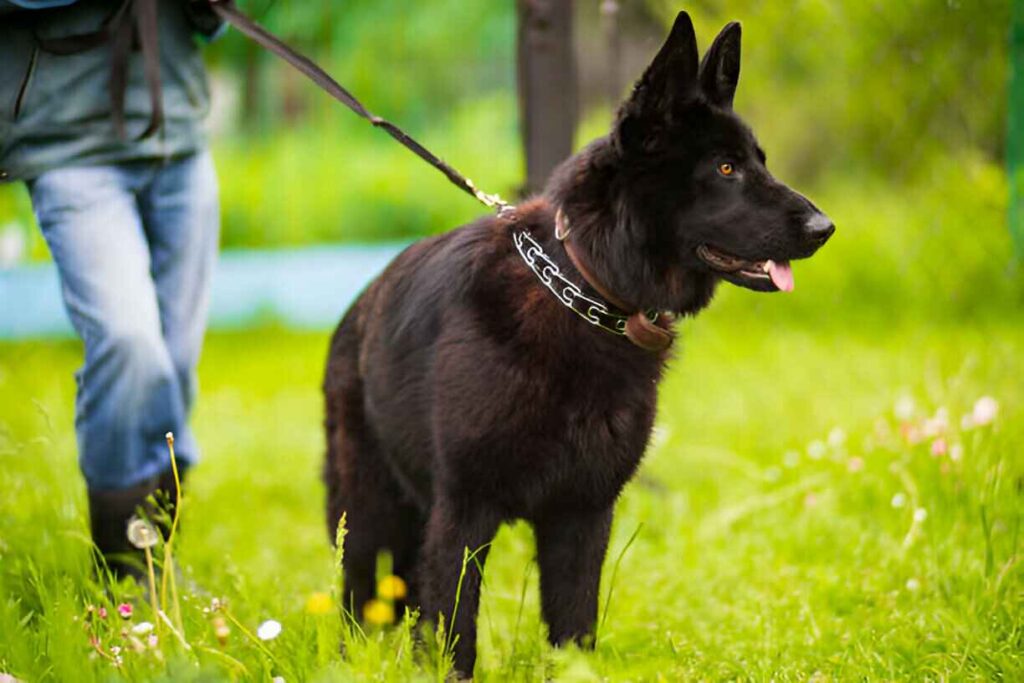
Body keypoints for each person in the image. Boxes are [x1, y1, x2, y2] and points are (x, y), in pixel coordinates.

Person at [0, 0, 223, 576]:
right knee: (128, 345)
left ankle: (156, 565)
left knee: (173, 367)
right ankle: (125, 570)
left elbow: (214, 21)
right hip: (66, 143)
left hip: (179, 131)